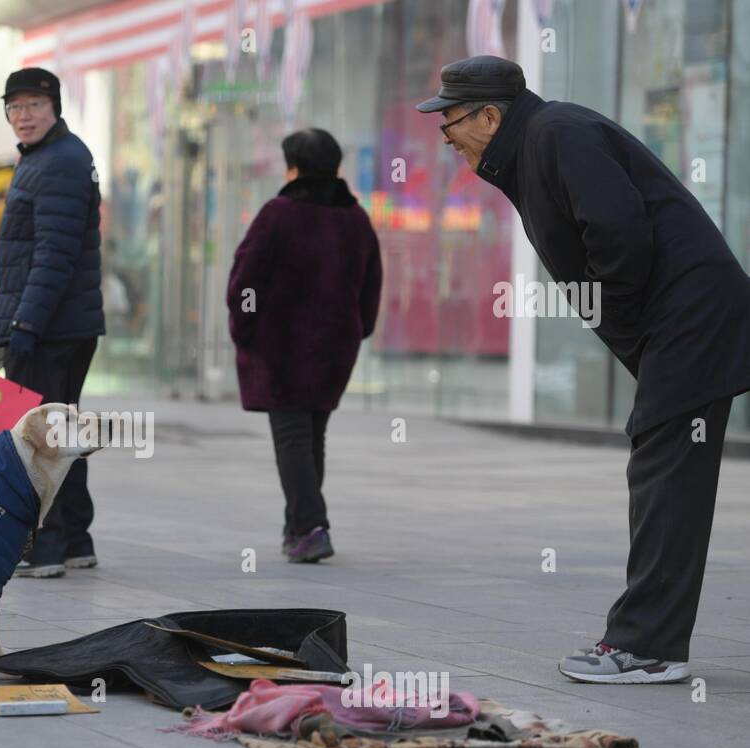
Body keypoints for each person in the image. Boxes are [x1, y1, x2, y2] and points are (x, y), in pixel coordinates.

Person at [416, 55, 750, 684]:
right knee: (664, 464)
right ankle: (649, 641)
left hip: (692, 317)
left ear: (490, 116)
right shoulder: (537, 145)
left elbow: (619, 231)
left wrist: (627, 316)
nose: (446, 137)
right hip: (682, 321)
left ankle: (647, 647)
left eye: (450, 122)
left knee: (664, 469)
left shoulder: (557, 133)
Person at [226, 129, 382, 564]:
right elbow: (372, 283)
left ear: (293, 167)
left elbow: (245, 280)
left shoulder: (279, 213)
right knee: (312, 435)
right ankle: (298, 528)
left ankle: (312, 526)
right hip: (335, 348)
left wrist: (245, 327)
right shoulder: (356, 219)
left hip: (281, 349)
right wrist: (358, 327)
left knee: (293, 437)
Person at [0, 67, 105, 579]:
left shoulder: (58, 162)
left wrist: (25, 325)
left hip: (51, 327)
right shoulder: (47, 158)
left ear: (54, 105)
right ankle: (76, 537)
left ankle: (47, 546)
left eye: (33, 104)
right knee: (62, 427)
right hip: (59, 323)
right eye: (14, 107)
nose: (23, 115)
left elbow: (53, 256)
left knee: (41, 439)